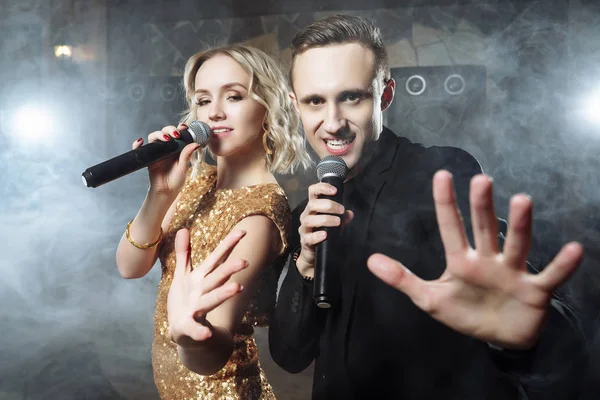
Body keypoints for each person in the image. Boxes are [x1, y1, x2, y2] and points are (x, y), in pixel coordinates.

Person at [269, 14, 587, 399]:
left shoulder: (442, 173)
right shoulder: (308, 213)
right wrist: (304, 266)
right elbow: (289, 355)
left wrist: (526, 339)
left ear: (385, 95)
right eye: (315, 101)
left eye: (352, 97)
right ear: (295, 105)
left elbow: (533, 325)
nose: (333, 123)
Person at [115, 44, 310, 399]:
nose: (215, 113)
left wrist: (189, 335)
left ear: (268, 107)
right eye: (204, 100)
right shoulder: (197, 179)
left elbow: (211, 357)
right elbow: (130, 266)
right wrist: (160, 193)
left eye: (234, 97)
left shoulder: (259, 213)